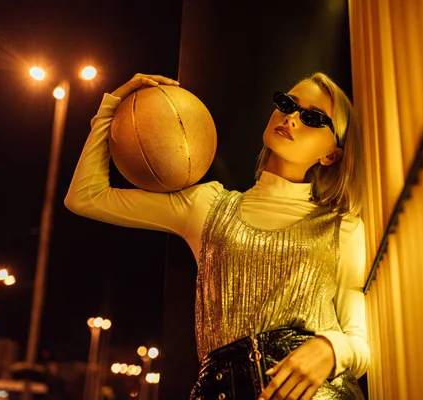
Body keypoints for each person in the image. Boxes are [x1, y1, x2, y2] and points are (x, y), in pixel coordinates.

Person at [65, 72, 370, 399]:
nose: (292, 117)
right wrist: (112, 108)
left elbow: (359, 341)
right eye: (286, 103)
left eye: (312, 117)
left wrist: (330, 348)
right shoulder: (205, 206)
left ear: (331, 155)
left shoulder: (343, 226)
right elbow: (86, 196)